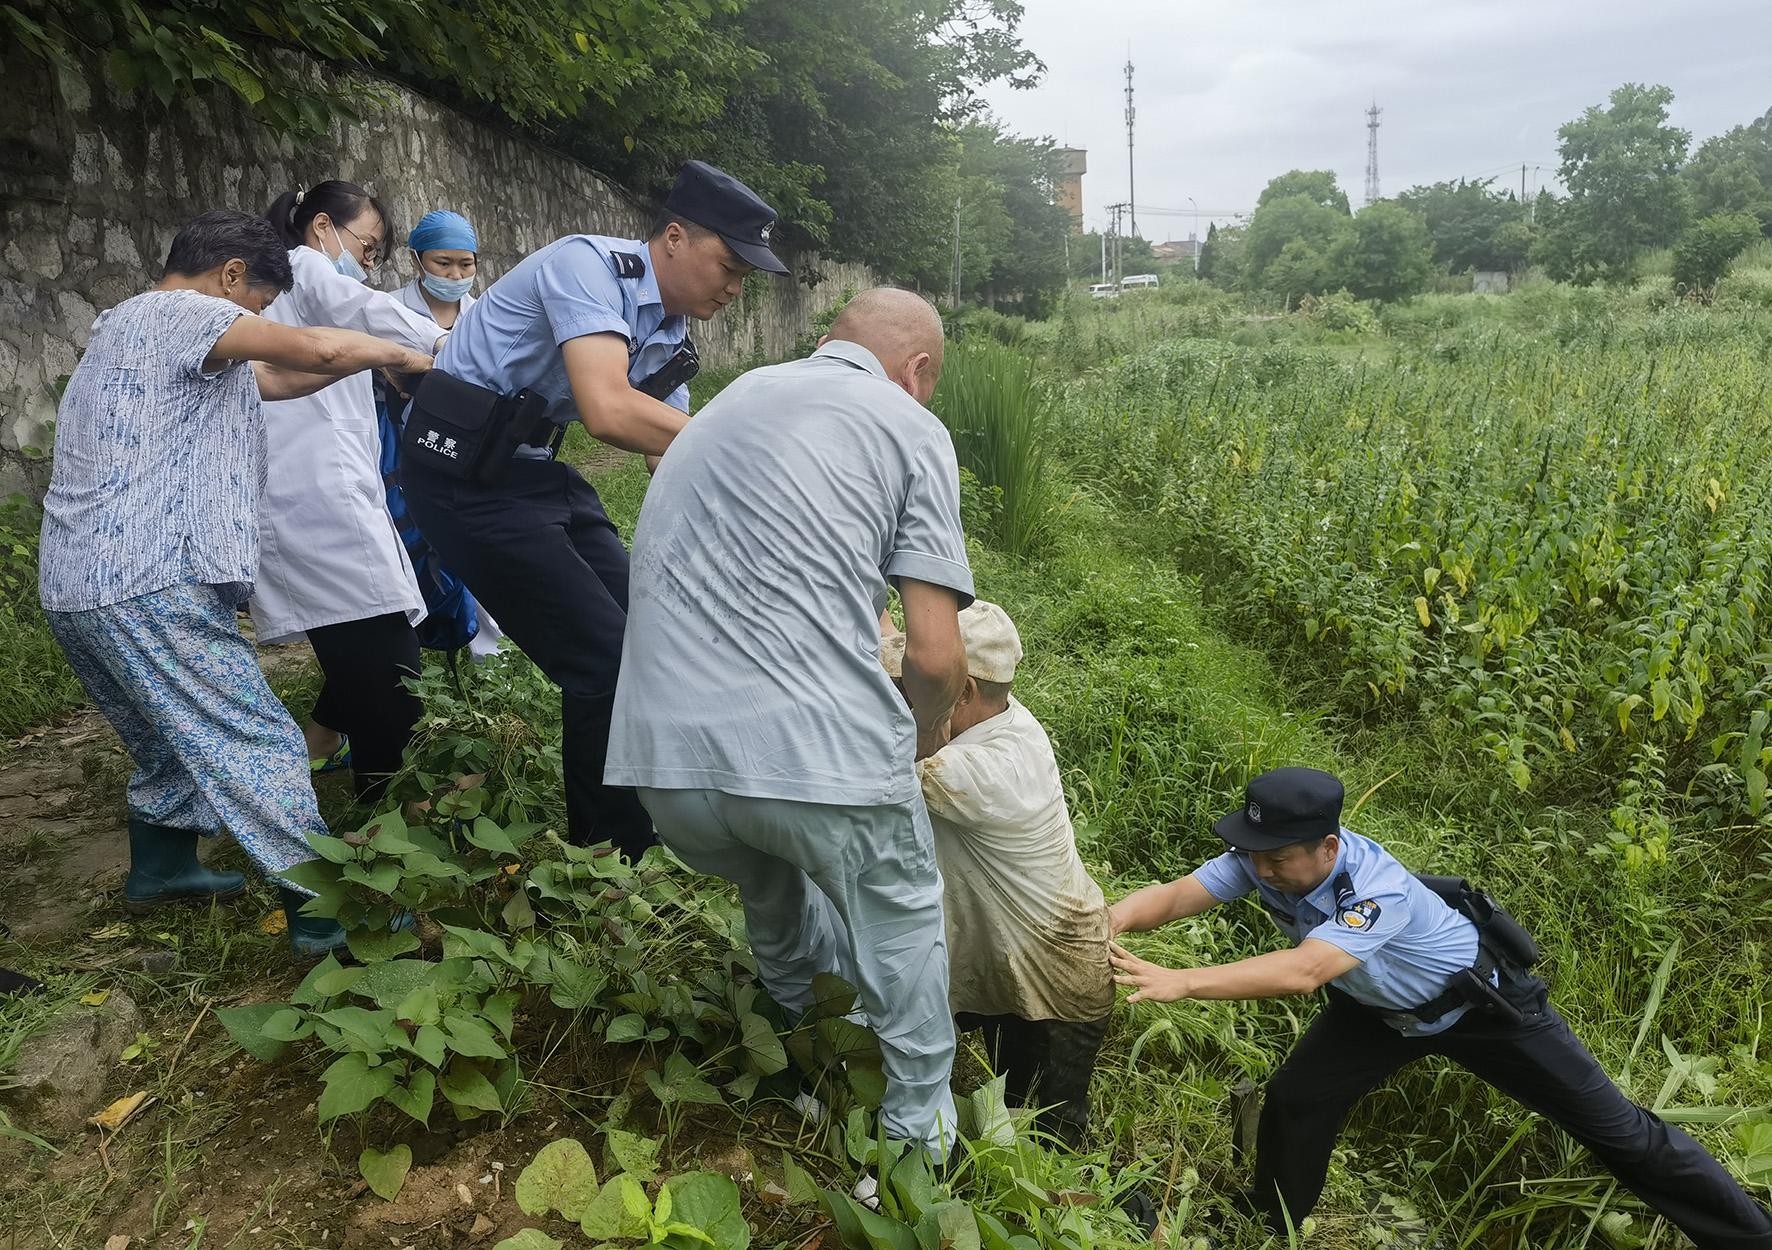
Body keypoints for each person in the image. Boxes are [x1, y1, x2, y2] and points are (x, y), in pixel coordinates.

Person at [1107, 766, 1772, 1247]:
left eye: (1277, 859)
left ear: (1327, 847)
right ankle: (1270, 1221)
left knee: (1622, 1134)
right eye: (1254, 856)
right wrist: (1109, 919)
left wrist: (1183, 981)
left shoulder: (1378, 889)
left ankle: (1750, 1238)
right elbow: (1179, 893)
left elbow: (1307, 971)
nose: (1262, 872)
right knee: (1297, 1098)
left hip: (1487, 1010)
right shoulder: (1261, 858)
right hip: (1377, 1013)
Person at [606, 287, 972, 1155]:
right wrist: (923, 736)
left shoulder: (726, 402)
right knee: (900, 922)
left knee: (772, 881)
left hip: (663, 767)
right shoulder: (910, 424)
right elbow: (934, 657)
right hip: (812, 763)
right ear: (917, 370)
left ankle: (805, 1066)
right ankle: (920, 1144)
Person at [36, 210, 433, 956]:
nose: (260, 320)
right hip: (151, 580)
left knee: (169, 738)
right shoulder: (182, 312)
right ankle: (324, 912)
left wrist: (366, 365)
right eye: (259, 305)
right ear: (229, 276)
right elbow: (314, 345)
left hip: (81, 583)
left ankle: (161, 868)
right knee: (254, 740)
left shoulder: (127, 327)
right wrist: (413, 354)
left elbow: (281, 375)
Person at [401, 160, 789, 857]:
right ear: (675, 237)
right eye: (729, 266)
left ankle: (659, 804)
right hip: (461, 480)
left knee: (652, 634)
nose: (735, 288)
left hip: (534, 474)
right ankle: (605, 858)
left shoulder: (670, 332)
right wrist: (745, 445)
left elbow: (667, 455)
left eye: (744, 276)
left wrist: (766, 538)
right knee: (604, 663)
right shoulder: (587, 266)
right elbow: (609, 411)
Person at [881, 600, 1114, 1147]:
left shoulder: (987, 768)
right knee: (995, 1107)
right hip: (1008, 950)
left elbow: (871, 766)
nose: (902, 692)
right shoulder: (995, 717)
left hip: (1055, 976)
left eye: (914, 681)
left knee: (1042, 1136)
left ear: (963, 691)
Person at [257, 180, 451, 801]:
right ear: (322, 227)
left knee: (363, 641)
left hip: (316, 490)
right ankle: (390, 810)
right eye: (367, 248)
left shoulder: (285, 288)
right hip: (315, 496)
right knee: (385, 656)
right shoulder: (304, 264)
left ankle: (341, 762)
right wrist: (436, 341)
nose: (366, 266)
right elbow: (360, 307)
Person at [377, 209, 505, 662]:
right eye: (443, 263)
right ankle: (416, 641)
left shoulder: (487, 314)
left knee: (478, 535)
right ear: (416, 260)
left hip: (467, 441)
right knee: (411, 536)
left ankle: (486, 651)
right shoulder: (387, 309)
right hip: (400, 442)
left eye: (465, 264)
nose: (455, 275)